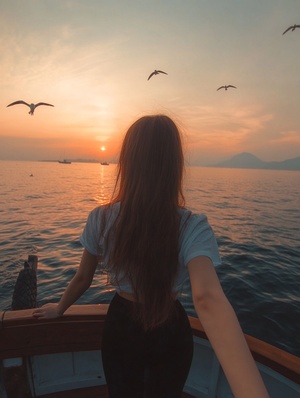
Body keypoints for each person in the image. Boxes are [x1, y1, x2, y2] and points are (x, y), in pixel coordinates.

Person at [33, 115, 269, 398]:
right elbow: (207, 297)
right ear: (174, 165)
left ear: (129, 162)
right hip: (171, 326)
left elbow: (83, 278)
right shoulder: (192, 225)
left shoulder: (100, 218)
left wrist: (59, 308)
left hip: (121, 325)